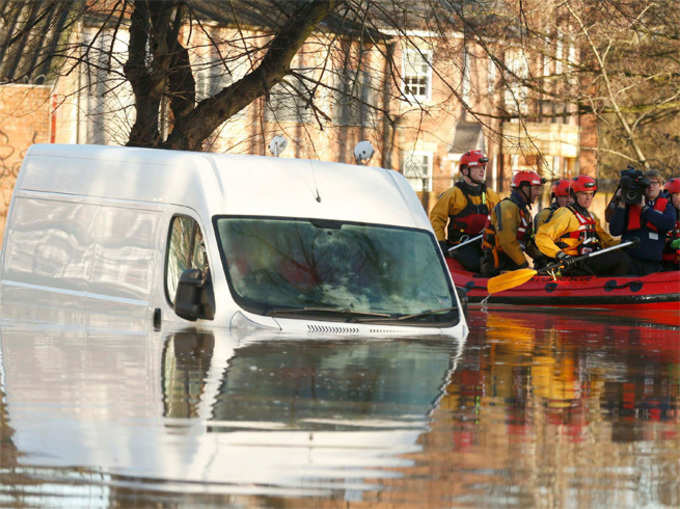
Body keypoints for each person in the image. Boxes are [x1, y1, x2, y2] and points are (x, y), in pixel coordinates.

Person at [535, 175, 630, 276]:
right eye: (584, 194)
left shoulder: (591, 217)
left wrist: (625, 242)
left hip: (588, 260)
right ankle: (616, 288)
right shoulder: (565, 214)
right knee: (621, 259)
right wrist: (560, 255)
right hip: (572, 263)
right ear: (575, 195)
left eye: (591, 194)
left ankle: (612, 286)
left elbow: (606, 242)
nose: (588, 198)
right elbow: (542, 237)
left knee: (624, 256)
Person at [430, 150, 500, 273]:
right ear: (465, 171)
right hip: (461, 245)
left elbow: (500, 218)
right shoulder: (454, 194)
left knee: (498, 262)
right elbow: (437, 218)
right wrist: (440, 242)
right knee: (476, 264)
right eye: (477, 167)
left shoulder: (489, 195)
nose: (482, 171)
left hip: (483, 243)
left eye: (483, 167)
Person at [608, 169, 677, 275]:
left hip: (652, 264)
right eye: (648, 183)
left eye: (655, 183)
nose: (651, 186)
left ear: (660, 186)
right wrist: (621, 203)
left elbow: (669, 223)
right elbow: (614, 231)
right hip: (629, 262)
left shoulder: (667, 206)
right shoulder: (630, 202)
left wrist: (645, 209)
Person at [480, 170, 544, 276]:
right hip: (498, 265)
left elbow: (527, 242)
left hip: (512, 262)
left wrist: (540, 257)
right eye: (536, 189)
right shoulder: (507, 207)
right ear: (524, 188)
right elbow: (507, 242)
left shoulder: (524, 212)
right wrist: (524, 265)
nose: (538, 193)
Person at [662, 177, 680, 270]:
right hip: (667, 266)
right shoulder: (663, 215)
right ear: (669, 197)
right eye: (678, 194)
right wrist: (672, 242)